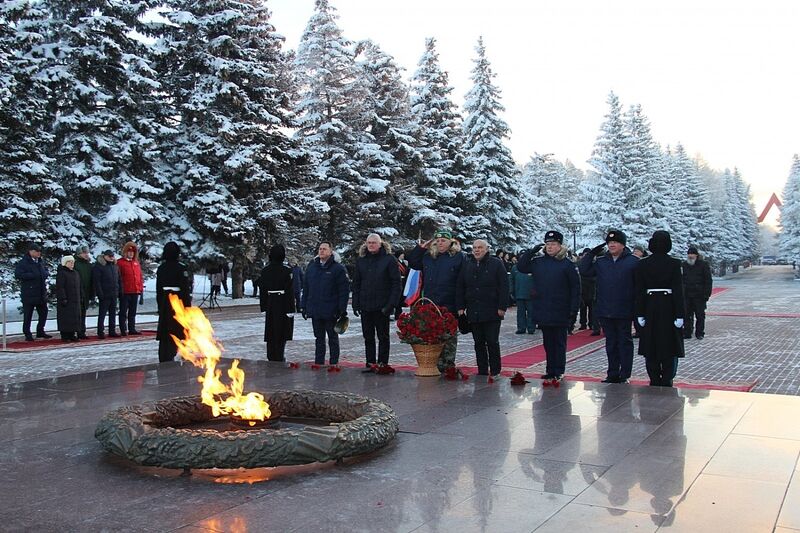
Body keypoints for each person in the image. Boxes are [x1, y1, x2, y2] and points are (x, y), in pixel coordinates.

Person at [517, 231, 580, 380]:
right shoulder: (539, 262)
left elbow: (576, 289)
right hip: (543, 308)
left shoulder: (567, 264)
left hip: (561, 309)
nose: (550, 247)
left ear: (560, 246)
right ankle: (550, 369)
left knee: (559, 342)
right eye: (548, 244)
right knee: (547, 342)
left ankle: (559, 370)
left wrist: (573, 310)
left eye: (553, 244)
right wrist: (531, 252)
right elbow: (522, 267)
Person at [579, 229, 639, 384]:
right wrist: (592, 254)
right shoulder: (601, 262)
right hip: (606, 309)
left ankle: (624, 373)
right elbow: (584, 270)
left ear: (622, 245)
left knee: (624, 343)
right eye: (609, 242)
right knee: (611, 343)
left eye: (615, 242)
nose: (612, 245)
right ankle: (612, 373)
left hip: (624, 309)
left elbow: (639, 286)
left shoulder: (633, 262)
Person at [407, 229, 466, 372]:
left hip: (450, 303)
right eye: (438, 240)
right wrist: (420, 249)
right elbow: (413, 263)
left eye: (443, 240)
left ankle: (448, 364)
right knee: (433, 335)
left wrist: (461, 305)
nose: (440, 243)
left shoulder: (459, 257)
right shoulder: (428, 256)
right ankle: (434, 363)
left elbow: (463, 281)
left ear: (451, 242)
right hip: (431, 304)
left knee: (449, 336)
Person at [635, 231, 685, 386]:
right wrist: (680, 314)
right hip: (668, 306)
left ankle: (654, 377)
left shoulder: (643, 263)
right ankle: (667, 377)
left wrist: (640, 312)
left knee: (651, 344)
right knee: (668, 345)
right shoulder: (675, 263)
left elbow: (639, 291)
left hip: (650, 306)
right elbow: (678, 291)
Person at [456, 239, 509, 376]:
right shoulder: (467, 264)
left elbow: (504, 286)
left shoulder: (496, 263)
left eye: (480, 247)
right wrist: (461, 307)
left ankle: (495, 370)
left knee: (492, 341)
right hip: (474, 310)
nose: (477, 250)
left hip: (492, 310)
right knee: (478, 342)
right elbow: (460, 286)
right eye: (474, 248)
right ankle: (482, 370)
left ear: (486, 249)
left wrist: (502, 306)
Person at [352, 234, 402, 370]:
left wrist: (391, 304)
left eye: (374, 242)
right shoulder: (361, 260)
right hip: (366, 304)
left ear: (380, 244)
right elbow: (356, 283)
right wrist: (356, 303)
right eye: (369, 243)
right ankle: (370, 362)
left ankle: (383, 363)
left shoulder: (389, 260)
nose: (371, 245)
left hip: (382, 305)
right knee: (368, 336)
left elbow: (396, 283)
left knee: (383, 336)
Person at [301, 241, 349, 366]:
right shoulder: (312, 267)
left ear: (331, 251)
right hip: (315, 309)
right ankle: (319, 362)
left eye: (324, 249)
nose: (321, 251)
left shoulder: (338, 269)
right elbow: (306, 288)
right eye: (320, 249)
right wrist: (303, 306)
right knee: (319, 338)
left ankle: (334, 362)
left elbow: (343, 290)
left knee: (333, 338)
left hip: (331, 310)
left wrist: (341, 309)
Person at [155, 242, 192, 362]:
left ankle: (165, 355)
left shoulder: (161, 268)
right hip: (178, 301)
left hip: (166, 302)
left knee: (166, 331)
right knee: (179, 329)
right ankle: (180, 353)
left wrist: (160, 306)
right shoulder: (181, 268)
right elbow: (185, 289)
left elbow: (158, 289)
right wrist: (187, 306)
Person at [259, 244, 295, 362]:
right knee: (281, 330)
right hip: (282, 302)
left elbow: (262, 289)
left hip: (270, 302)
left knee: (270, 330)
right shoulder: (286, 271)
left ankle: (271, 354)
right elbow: (289, 291)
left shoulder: (265, 270)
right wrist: (291, 308)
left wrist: (263, 305)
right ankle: (279, 355)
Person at [14, 243, 50, 341]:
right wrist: (32, 275)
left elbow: (46, 271)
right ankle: (27, 333)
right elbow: (18, 274)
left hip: (40, 292)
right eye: (36, 251)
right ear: (31, 251)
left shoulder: (40, 262)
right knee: (28, 314)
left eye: (39, 251)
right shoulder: (24, 262)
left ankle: (40, 331)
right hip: (29, 293)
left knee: (44, 312)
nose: (39, 253)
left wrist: (44, 274)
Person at [682, 246, 713, 340]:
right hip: (687, 295)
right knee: (687, 315)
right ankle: (687, 332)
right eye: (689, 254)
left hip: (699, 295)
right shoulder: (684, 265)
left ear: (696, 255)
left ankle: (699, 333)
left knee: (700, 315)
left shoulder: (703, 265)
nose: (690, 256)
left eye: (692, 254)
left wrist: (706, 294)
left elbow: (708, 280)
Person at [117, 241, 144, 336]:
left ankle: (132, 328)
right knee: (123, 311)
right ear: (125, 252)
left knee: (132, 312)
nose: (131, 254)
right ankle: (123, 329)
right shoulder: (120, 263)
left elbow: (140, 277)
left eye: (132, 252)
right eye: (129, 252)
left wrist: (140, 289)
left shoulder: (136, 263)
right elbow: (118, 277)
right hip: (125, 291)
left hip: (135, 291)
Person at [93, 250, 121, 338]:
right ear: (104, 256)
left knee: (113, 313)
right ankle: (100, 331)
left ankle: (112, 330)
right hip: (105, 294)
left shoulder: (114, 266)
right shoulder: (99, 266)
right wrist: (99, 293)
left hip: (113, 293)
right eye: (109, 256)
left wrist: (119, 291)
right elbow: (97, 282)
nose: (111, 258)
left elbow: (118, 279)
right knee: (102, 314)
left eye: (112, 256)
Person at [55, 255, 82, 342]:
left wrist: (81, 295)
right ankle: (65, 335)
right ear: (65, 263)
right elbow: (60, 287)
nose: (72, 264)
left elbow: (79, 286)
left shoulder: (76, 273)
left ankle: (72, 334)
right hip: (67, 299)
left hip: (75, 298)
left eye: (73, 262)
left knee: (74, 317)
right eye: (70, 262)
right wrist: (63, 298)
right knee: (66, 317)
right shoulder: (62, 273)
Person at [578, 248, 601, 336]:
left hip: (593, 290)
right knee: (583, 309)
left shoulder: (597, 264)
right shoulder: (584, 265)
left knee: (593, 310)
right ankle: (584, 324)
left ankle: (594, 325)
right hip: (584, 290)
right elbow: (583, 270)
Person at [73, 246, 93, 339]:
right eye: (84, 253)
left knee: (83, 312)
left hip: (86, 291)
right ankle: (77, 331)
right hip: (77, 292)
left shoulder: (88, 264)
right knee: (77, 313)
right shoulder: (75, 264)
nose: (86, 254)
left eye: (87, 253)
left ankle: (82, 331)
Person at [510, 259, 535, 334]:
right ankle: (521, 328)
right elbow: (511, 279)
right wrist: (511, 291)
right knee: (520, 313)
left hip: (531, 295)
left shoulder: (533, 267)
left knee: (531, 312)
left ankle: (531, 328)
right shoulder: (515, 268)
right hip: (519, 294)